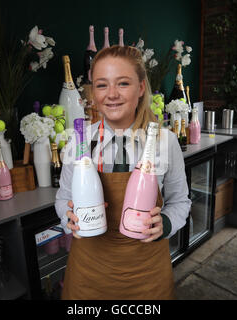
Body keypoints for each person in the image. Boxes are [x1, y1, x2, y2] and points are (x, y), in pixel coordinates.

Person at [55, 45, 191, 300]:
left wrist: (167, 223)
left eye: (123, 83)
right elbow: (63, 198)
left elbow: (180, 201)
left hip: (147, 277)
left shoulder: (164, 142)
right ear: (93, 92)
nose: (112, 94)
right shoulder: (80, 141)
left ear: (140, 88)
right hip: (89, 275)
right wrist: (68, 218)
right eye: (102, 85)